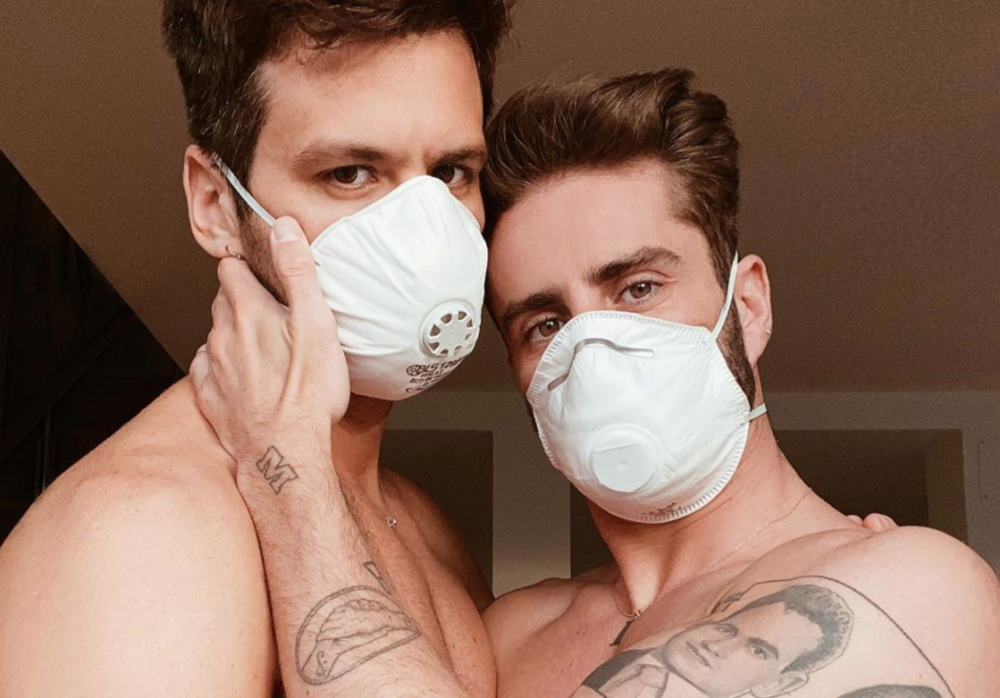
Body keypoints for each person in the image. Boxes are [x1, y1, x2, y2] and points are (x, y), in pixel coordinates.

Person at [188, 67, 1000, 698]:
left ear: (748, 306)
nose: (593, 344)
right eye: (544, 324)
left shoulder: (906, 584)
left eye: (638, 288)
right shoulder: (509, 637)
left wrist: (285, 462)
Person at [0, 2, 511, 696]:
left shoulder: (424, 524)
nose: (424, 231)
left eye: (450, 172)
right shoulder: (140, 530)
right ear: (215, 203)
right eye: (349, 173)